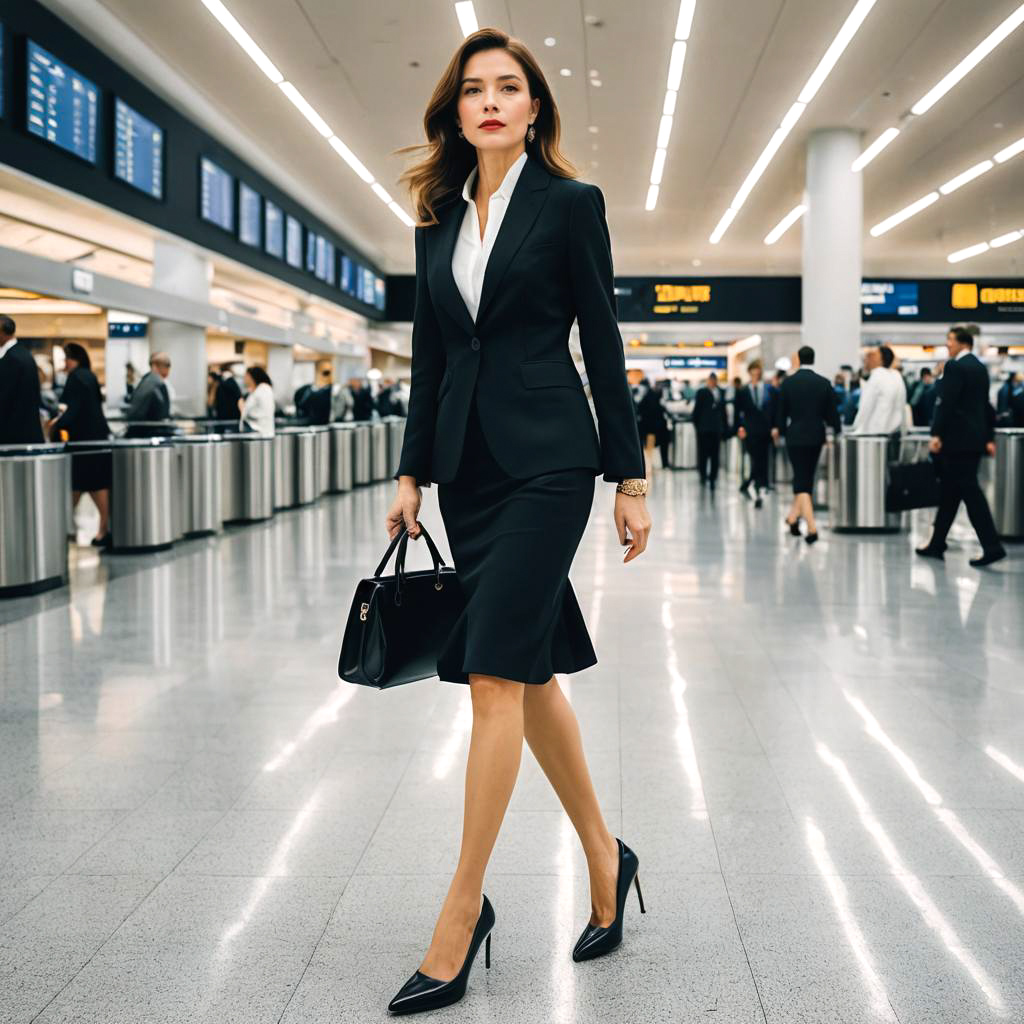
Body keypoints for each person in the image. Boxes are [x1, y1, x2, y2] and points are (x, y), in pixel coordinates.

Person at [384, 29, 651, 1015]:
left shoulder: (570, 205)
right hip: (467, 471)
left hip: (547, 462)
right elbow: (429, 359)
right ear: (455, 111)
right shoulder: (435, 220)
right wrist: (413, 468)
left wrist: (628, 475)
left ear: (534, 107)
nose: (490, 102)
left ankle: (461, 913)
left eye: (509, 87)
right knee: (527, 671)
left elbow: (604, 337)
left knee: (492, 674)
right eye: (473, 90)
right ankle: (604, 852)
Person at [917, 327, 1006, 567]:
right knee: (950, 492)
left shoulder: (955, 367)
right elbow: (985, 406)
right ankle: (937, 543)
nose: (947, 344)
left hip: (957, 441)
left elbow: (946, 403)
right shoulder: (980, 368)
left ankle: (992, 545)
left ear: (962, 343)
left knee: (969, 491)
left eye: (950, 340)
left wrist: (936, 433)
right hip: (974, 440)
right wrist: (988, 437)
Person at [773, 345, 840, 543]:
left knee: (800, 477)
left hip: (795, 436)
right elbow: (832, 414)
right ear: (813, 358)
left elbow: (781, 413)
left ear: (798, 359)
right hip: (816, 436)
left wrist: (779, 430)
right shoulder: (823, 383)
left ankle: (811, 527)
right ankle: (793, 518)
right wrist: (836, 431)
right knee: (807, 476)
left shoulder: (788, 383)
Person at [47, 343, 112, 546]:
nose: (64, 363)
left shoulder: (76, 378)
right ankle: (93, 527)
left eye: (66, 359)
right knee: (90, 484)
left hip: (83, 440)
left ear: (74, 359)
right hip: (96, 438)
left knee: (84, 484)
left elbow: (73, 410)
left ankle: (65, 528)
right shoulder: (89, 375)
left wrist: (56, 427)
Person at [735, 359, 774, 508]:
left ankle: (758, 485)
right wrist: (739, 427)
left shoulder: (768, 390)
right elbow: (739, 411)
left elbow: (772, 409)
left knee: (762, 458)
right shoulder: (744, 391)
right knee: (754, 458)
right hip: (750, 430)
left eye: (758, 370)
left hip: (764, 430)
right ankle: (759, 485)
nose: (755, 373)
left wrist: (774, 426)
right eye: (753, 370)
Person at [0, 316, 45, 444]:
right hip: (25, 430)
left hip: (15, 433)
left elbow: (5, 396)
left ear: (2, 333)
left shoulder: (12, 359)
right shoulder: (23, 353)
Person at [852, 344, 906, 435]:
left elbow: (866, 406)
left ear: (880, 359)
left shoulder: (877, 375)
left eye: (872, 356)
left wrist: (856, 427)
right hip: (894, 431)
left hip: (875, 433)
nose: (867, 359)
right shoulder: (897, 376)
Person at [691, 372, 729, 490]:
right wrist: (698, 427)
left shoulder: (721, 392)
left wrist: (724, 427)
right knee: (703, 453)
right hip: (704, 429)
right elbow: (696, 411)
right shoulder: (702, 392)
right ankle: (703, 474)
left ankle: (713, 477)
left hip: (715, 429)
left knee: (714, 454)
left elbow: (723, 412)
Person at [124, 352, 172, 436]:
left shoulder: (145, 381)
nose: (168, 370)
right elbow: (163, 414)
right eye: (166, 366)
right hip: (147, 433)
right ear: (155, 366)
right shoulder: (157, 384)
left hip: (136, 430)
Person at [636, 378, 669, 472]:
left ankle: (653, 464)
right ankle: (656, 464)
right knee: (653, 446)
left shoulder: (649, 396)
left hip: (652, 427)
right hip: (653, 427)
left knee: (650, 447)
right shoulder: (652, 396)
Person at [239, 366, 275, 436]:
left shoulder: (263, 389)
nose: (244, 379)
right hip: (260, 434)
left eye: (246, 376)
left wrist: (242, 407)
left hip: (261, 434)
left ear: (251, 376)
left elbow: (251, 414)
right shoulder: (258, 390)